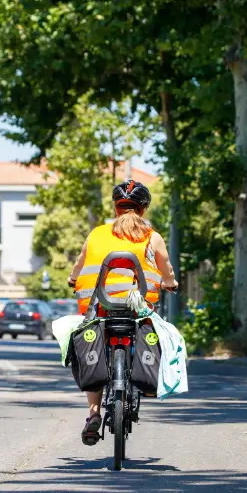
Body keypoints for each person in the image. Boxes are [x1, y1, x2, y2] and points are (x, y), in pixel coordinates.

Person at [67, 179, 179, 445]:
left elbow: (79, 264)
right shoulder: (152, 237)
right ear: (143, 209)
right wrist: (170, 284)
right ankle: (146, 381)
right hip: (138, 310)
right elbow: (168, 271)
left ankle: (93, 414)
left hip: (100, 309)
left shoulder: (97, 234)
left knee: (93, 348)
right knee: (151, 332)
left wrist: (73, 280)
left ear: (116, 207)